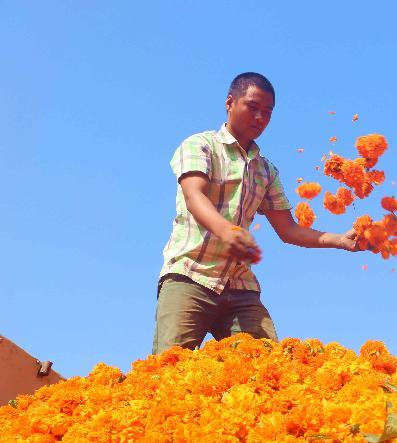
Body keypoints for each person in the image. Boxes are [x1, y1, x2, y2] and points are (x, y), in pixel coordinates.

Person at [153, 72, 358, 354]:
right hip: (191, 275)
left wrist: (341, 240)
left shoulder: (265, 170)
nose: (260, 118)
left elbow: (289, 230)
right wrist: (228, 231)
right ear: (229, 102)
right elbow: (193, 196)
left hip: (239, 286)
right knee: (169, 371)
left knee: (268, 366)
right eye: (253, 107)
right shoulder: (201, 146)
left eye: (267, 112)